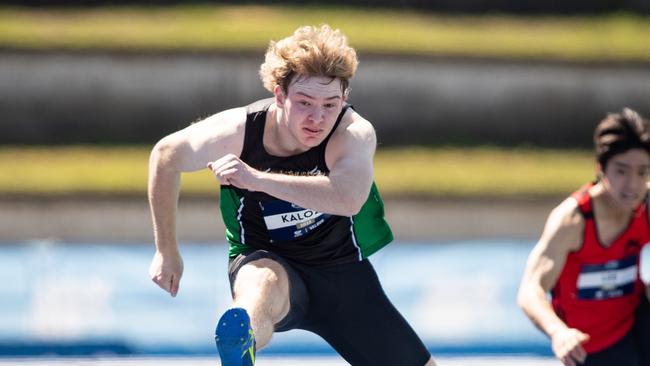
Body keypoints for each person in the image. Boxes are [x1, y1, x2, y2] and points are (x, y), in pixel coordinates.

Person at [147, 24, 435, 366]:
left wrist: (256, 179)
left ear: (344, 98)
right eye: (304, 102)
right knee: (261, 286)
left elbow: (347, 198)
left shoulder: (353, 133)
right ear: (279, 94)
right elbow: (166, 156)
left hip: (341, 270)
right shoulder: (238, 131)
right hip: (264, 255)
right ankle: (242, 343)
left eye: (330, 104)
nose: (318, 118)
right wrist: (166, 251)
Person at [517, 108, 650, 366]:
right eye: (621, 171)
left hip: (638, 329)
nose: (633, 185)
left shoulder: (647, 205)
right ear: (600, 168)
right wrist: (559, 332)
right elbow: (530, 290)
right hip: (587, 345)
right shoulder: (572, 220)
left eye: (643, 172)